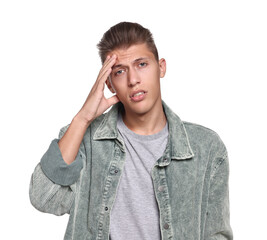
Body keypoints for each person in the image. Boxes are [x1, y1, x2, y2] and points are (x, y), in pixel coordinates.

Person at [29, 22, 233, 240]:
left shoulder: (206, 147)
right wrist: (83, 118)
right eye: (119, 71)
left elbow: (216, 234)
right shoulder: (84, 140)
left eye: (142, 64)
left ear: (161, 67)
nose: (133, 80)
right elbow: (43, 197)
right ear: (108, 83)